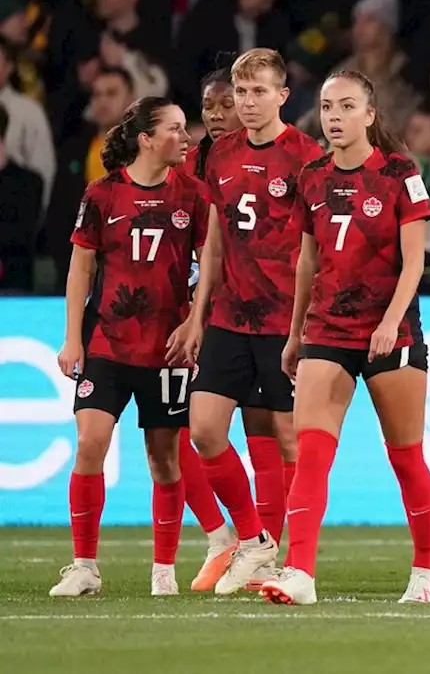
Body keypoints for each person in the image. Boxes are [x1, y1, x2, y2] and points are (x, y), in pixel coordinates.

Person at [261, 70, 430, 606]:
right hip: (328, 329)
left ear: (370, 115)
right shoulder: (312, 177)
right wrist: (295, 334)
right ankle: (300, 572)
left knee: (406, 458)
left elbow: (415, 261)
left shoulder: (400, 173)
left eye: (345, 107)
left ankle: (425, 570)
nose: (334, 117)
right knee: (311, 453)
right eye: (327, 107)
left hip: (392, 332)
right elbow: (307, 262)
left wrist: (390, 322)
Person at [176, 48, 324, 595]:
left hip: (285, 318)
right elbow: (213, 238)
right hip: (228, 316)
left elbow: (317, 243)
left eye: (259, 91)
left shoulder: (307, 157)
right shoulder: (220, 155)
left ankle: (294, 555)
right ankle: (256, 540)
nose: (248, 101)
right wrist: (197, 315)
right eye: (241, 92)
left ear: (282, 96)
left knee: (289, 441)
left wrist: (309, 319)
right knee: (205, 430)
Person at [50, 97, 208, 597]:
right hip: (108, 343)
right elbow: (81, 267)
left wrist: (195, 323)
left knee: (165, 459)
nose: (186, 138)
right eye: (176, 129)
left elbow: (209, 266)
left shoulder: (194, 195)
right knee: (90, 443)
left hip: (167, 348)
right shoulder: (102, 195)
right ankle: (84, 567)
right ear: (146, 138)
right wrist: (73, 336)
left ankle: (164, 569)